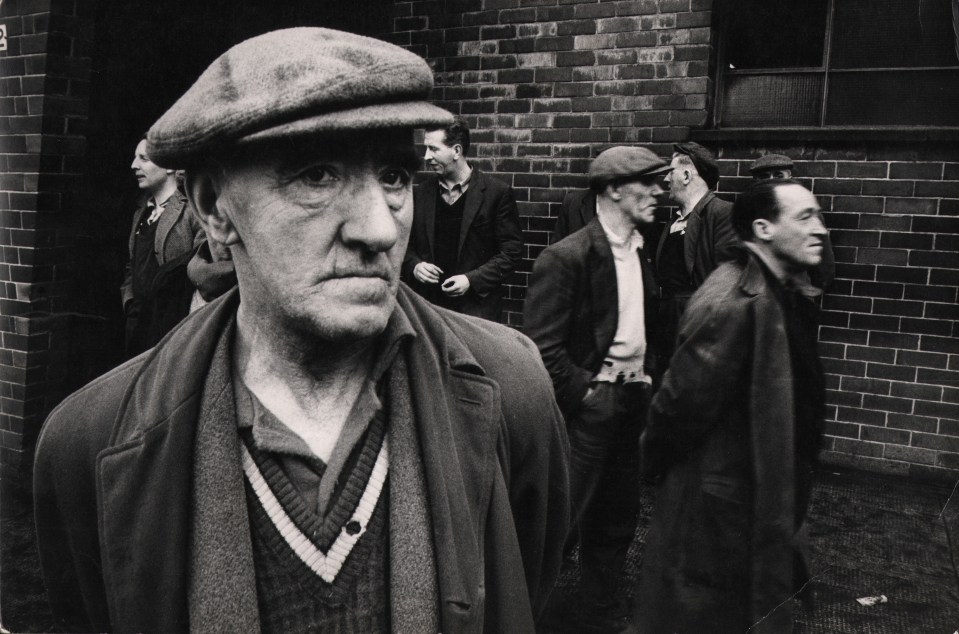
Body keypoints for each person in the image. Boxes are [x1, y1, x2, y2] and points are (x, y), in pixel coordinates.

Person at [34, 27, 569, 634]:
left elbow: (518, 585)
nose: (380, 230)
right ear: (213, 207)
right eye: (317, 176)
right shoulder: (92, 441)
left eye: (395, 176)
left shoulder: (510, 390)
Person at [633, 179, 828, 634]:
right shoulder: (729, 302)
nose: (820, 229)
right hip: (718, 513)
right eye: (805, 217)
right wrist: (658, 469)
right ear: (762, 229)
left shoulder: (784, 292)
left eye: (818, 216)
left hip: (755, 500)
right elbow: (677, 406)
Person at [525, 146, 668, 633]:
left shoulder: (642, 250)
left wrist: (645, 376)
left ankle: (600, 618)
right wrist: (589, 395)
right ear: (612, 190)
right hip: (589, 410)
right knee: (559, 525)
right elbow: (542, 351)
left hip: (632, 403)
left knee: (616, 522)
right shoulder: (566, 258)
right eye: (648, 183)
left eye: (661, 182)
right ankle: (522, 616)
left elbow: (646, 324)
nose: (659, 192)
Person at [402, 118, 522, 321]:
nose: (426, 157)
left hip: (475, 313)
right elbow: (403, 244)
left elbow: (511, 253)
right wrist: (415, 266)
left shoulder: (496, 193)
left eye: (433, 149)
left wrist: (471, 280)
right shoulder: (420, 193)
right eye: (426, 149)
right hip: (428, 311)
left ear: (456, 151)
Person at [656, 141, 739, 361]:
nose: (666, 179)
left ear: (686, 175)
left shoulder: (722, 214)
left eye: (670, 173)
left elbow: (727, 283)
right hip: (667, 323)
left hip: (698, 325)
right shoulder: (672, 222)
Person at [122, 142, 204, 356]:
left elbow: (206, 268)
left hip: (172, 328)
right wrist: (129, 302)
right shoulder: (141, 211)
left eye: (143, 158)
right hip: (138, 325)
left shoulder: (193, 211)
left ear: (169, 165)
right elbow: (132, 265)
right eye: (134, 157)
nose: (133, 165)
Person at [749, 153, 836, 290]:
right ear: (756, 181)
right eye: (764, 177)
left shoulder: (805, 210)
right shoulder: (747, 210)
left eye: (778, 175)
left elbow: (823, 258)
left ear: (789, 177)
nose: (771, 180)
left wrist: (812, 288)